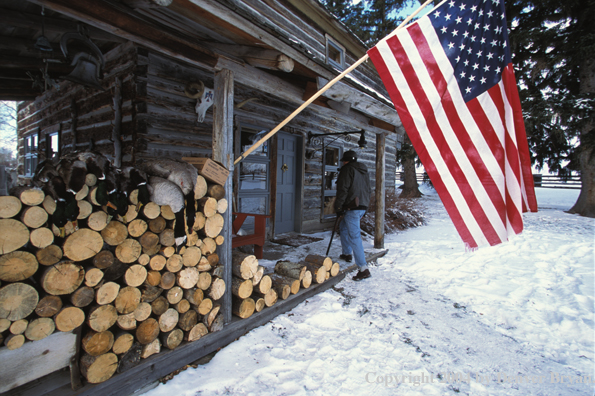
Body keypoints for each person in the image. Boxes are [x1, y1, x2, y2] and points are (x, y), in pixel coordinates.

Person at [334, 150, 372, 281]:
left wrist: (338, 207)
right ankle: (346, 253)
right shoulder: (363, 171)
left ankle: (363, 269)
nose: (343, 162)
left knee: (354, 236)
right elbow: (368, 189)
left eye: (344, 160)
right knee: (344, 227)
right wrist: (365, 206)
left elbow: (342, 189)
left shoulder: (347, 169)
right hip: (361, 206)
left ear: (346, 161)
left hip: (352, 207)